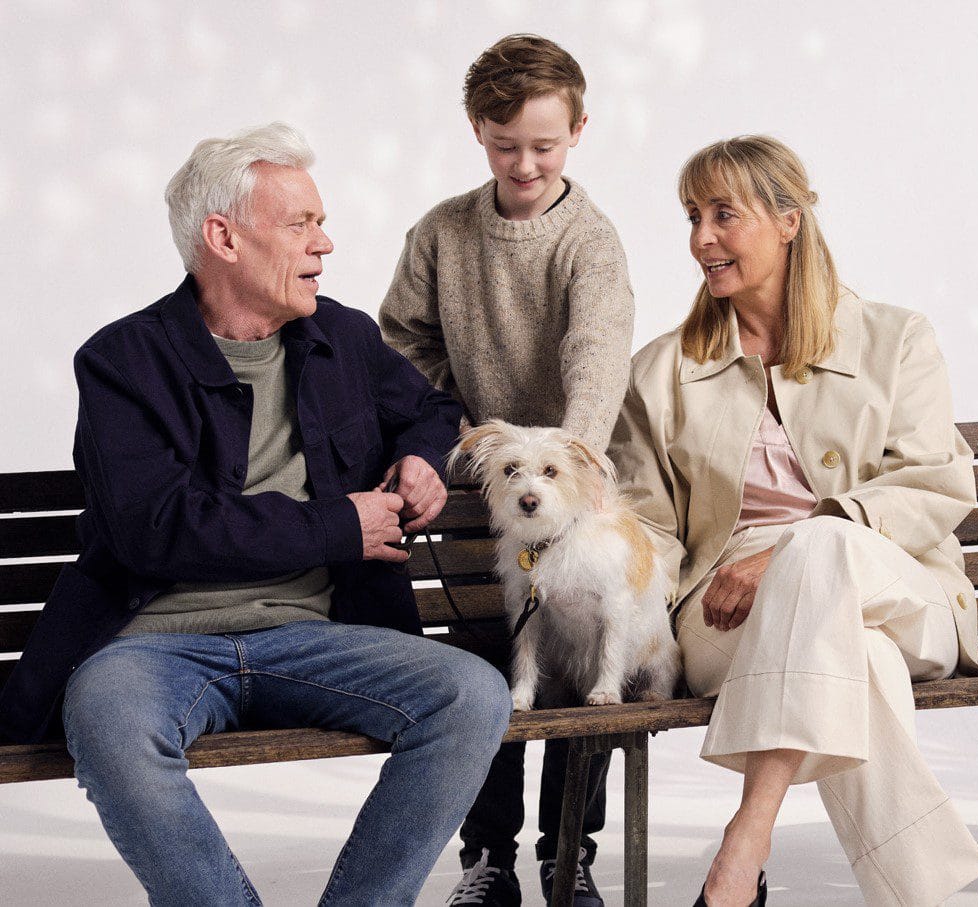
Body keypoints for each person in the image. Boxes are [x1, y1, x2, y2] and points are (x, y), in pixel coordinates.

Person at [0, 122, 512, 907]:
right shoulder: (122, 361)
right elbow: (154, 527)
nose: (325, 243)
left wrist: (420, 454)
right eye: (301, 223)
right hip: (154, 646)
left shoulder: (341, 336)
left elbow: (432, 409)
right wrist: (337, 526)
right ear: (223, 238)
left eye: (321, 222)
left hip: (316, 638)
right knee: (106, 716)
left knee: (471, 695)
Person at [609, 135, 978, 907]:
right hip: (727, 609)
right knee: (861, 657)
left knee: (821, 543)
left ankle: (743, 843)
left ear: (788, 221)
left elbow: (936, 482)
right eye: (691, 216)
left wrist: (788, 554)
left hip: (892, 577)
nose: (701, 238)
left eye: (723, 214)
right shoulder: (659, 371)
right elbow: (646, 527)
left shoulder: (896, 339)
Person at [379, 33, 634, 907]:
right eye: (504, 145)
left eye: (544, 145)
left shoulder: (589, 243)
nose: (524, 164)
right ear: (476, 131)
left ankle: (570, 853)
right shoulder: (441, 232)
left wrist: (569, 468)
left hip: (573, 488)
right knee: (488, 666)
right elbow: (401, 340)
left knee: (576, 661)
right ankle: (486, 857)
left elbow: (596, 357)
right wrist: (456, 428)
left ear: (578, 131)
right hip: (484, 488)